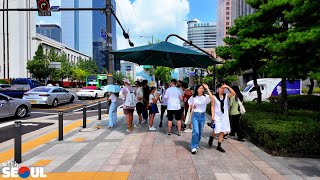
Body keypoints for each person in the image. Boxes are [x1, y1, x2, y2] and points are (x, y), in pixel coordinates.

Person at [208, 83, 236, 153]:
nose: (222, 90)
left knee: (222, 131)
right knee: (216, 129)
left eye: (223, 88)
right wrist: (212, 115)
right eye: (221, 88)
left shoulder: (226, 96)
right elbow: (212, 106)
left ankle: (219, 146)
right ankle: (212, 137)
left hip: (224, 117)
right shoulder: (214, 97)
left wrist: (227, 86)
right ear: (218, 89)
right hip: (217, 116)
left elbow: (233, 93)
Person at [188, 84, 214, 154]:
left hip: (202, 116)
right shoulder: (193, 97)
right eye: (200, 88)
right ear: (197, 89)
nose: (202, 89)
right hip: (195, 115)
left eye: (203, 88)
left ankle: (196, 143)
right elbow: (189, 104)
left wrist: (207, 88)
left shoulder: (205, 97)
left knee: (200, 132)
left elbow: (212, 98)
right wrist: (192, 106)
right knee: (196, 131)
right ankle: (193, 147)